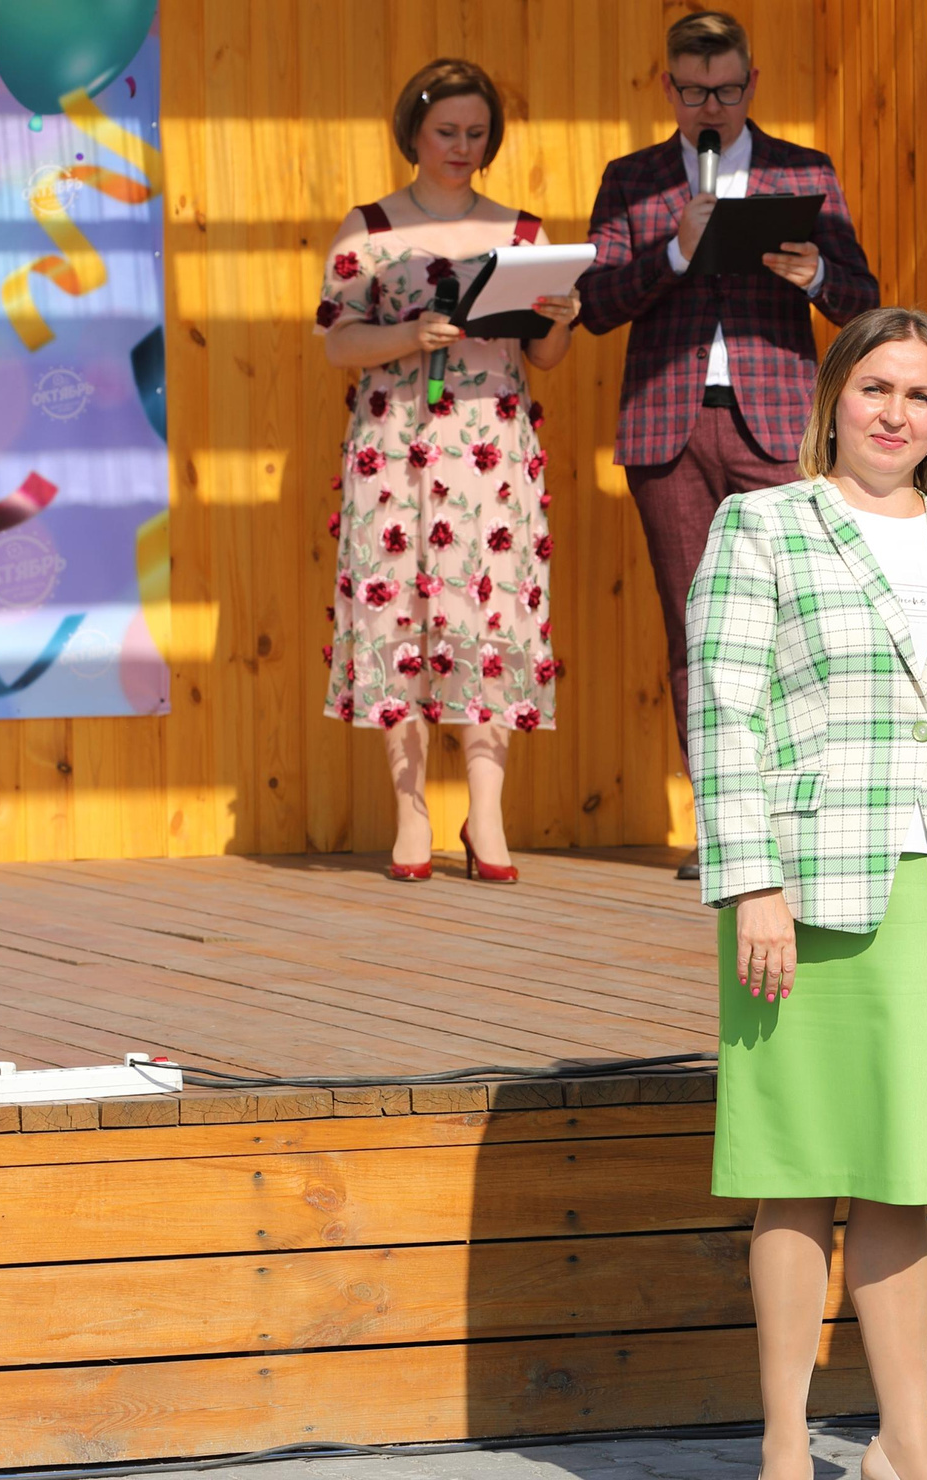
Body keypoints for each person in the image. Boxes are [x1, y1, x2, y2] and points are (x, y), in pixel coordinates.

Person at [687, 306, 927, 1480]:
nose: (896, 413)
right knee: (791, 1175)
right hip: (800, 893)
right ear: (833, 399)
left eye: (920, 396)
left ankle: (906, 1450)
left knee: (906, 1179)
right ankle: (786, 1449)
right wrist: (750, 884)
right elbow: (721, 712)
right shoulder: (762, 525)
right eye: (876, 388)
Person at [580, 8, 880, 879]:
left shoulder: (802, 170)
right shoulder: (633, 180)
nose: (709, 106)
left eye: (725, 90)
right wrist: (672, 254)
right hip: (667, 427)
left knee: (799, 623)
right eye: (692, 91)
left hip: (778, 422)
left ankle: (797, 815)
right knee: (697, 629)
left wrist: (814, 274)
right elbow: (594, 303)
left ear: (752, 84)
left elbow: (862, 298)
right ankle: (722, 827)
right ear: (667, 86)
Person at [318, 59, 579, 884]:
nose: (462, 147)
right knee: (398, 615)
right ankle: (411, 812)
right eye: (446, 132)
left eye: (476, 133)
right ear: (413, 132)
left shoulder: (524, 232)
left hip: (491, 450)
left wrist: (562, 319)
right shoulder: (367, 230)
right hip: (394, 446)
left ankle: (486, 811)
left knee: (487, 617)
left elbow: (545, 355)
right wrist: (409, 335)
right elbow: (336, 343)